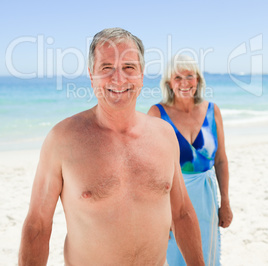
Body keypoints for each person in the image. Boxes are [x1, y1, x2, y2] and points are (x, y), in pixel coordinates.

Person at [19, 28, 205, 266]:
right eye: (106, 68)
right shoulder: (62, 140)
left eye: (129, 67)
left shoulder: (164, 135)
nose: (119, 79)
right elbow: (38, 225)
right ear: (91, 75)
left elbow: (182, 214)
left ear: (141, 74)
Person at [148, 54, 233, 266]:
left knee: (207, 255)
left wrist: (226, 202)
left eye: (190, 76)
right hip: (172, 203)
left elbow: (221, 160)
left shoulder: (213, 111)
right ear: (168, 82)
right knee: (176, 258)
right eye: (177, 77)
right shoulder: (157, 113)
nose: (184, 83)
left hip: (207, 201)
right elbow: (149, 169)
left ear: (198, 80)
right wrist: (157, 212)